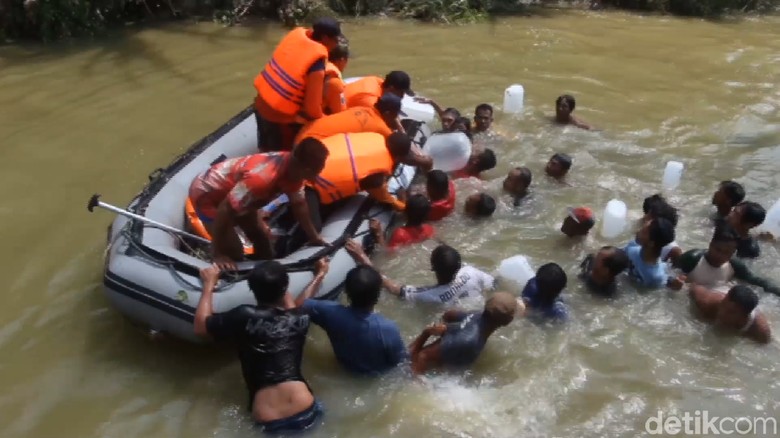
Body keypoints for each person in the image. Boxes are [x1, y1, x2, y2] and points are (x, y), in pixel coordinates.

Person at [193, 261, 323, 433]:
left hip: (269, 415)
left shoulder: (244, 315)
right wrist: (320, 274)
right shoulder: (301, 318)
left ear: (251, 289)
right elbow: (296, 306)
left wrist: (209, 284)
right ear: (285, 287)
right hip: (304, 404)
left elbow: (200, 328)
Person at [188, 139, 329, 268]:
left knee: (262, 241)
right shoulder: (261, 180)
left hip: (241, 194)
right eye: (318, 172)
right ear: (307, 170)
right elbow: (224, 210)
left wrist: (314, 237)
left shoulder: (294, 172)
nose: (318, 176)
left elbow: (299, 205)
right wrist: (218, 253)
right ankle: (220, 257)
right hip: (208, 194)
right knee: (234, 252)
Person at [295, 260, 408, 375]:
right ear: (377, 296)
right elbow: (401, 364)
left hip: (344, 369)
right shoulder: (388, 329)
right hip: (378, 379)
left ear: (346, 292)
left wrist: (321, 274)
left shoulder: (331, 313)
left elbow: (298, 306)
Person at [253, 17, 343, 151]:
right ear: (324, 38)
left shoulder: (295, 36)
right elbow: (312, 110)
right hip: (278, 119)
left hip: (259, 104)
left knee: (265, 150)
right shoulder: (317, 62)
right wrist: (327, 122)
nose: (336, 45)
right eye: (335, 40)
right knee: (315, 125)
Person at [303, 132, 413, 234]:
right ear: (398, 157)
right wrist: (403, 206)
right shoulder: (378, 173)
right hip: (310, 183)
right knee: (314, 228)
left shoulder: (374, 136)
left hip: (308, 157)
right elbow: (383, 197)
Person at [347, 242, 496, 305]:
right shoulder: (471, 271)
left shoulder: (429, 295)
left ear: (433, 268)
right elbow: (494, 284)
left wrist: (362, 257)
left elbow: (392, 287)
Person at [408, 291, 518, 375]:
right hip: (416, 364)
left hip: (451, 347)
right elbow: (422, 356)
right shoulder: (468, 341)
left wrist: (447, 330)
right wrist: (417, 384)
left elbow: (449, 314)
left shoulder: (478, 315)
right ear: (508, 321)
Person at [677, 223, 779, 295]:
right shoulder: (692, 258)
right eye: (718, 250)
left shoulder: (733, 265)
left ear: (733, 253)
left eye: (727, 253)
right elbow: (669, 275)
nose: (720, 256)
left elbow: (756, 281)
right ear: (711, 244)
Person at [294, 93, 406, 144]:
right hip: (308, 149)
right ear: (387, 113)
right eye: (395, 115)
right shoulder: (379, 126)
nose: (396, 119)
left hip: (302, 134)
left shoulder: (360, 108)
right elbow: (401, 146)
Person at [688, 285, 771, 344]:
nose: (722, 313)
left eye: (731, 312)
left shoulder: (759, 330)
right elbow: (693, 287)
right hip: (720, 290)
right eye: (723, 304)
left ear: (744, 316)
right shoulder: (709, 303)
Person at [623, 217, 685, 290]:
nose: (637, 232)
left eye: (643, 232)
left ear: (651, 243)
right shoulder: (633, 245)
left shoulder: (656, 276)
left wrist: (673, 286)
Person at [637, 194, 682, 265]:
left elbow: (678, 269)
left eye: (648, 218)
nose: (644, 217)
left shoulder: (673, 249)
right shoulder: (642, 228)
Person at [344, 70, 415, 109]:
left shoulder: (377, 80)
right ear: (391, 88)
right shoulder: (370, 100)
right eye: (401, 93)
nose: (402, 96)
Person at [322, 36, 349, 116]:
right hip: (311, 125)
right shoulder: (334, 83)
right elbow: (341, 115)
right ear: (342, 60)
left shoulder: (317, 69)